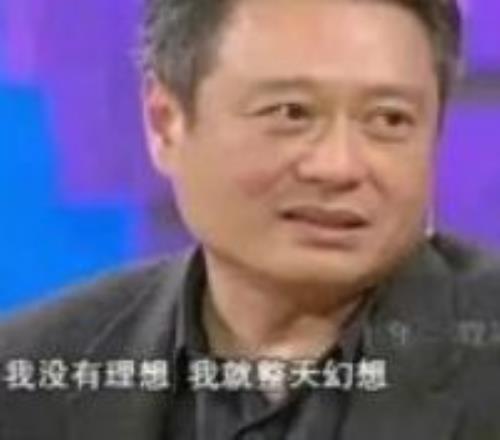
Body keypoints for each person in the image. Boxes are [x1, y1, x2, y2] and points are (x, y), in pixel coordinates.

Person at [1, 0, 500, 438]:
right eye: (291, 113)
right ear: (165, 122)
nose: (339, 167)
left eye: (389, 119)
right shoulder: (29, 376)